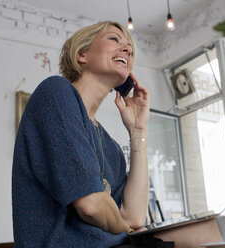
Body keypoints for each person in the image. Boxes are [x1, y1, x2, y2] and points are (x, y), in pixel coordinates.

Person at [12, 21, 150, 247]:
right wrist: (126, 230)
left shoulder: (112, 149)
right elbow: (92, 206)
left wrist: (138, 132)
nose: (127, 49)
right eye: (115, 39)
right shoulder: (55, 92)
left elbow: (134, 217)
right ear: (82, 54)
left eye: (130, 49)